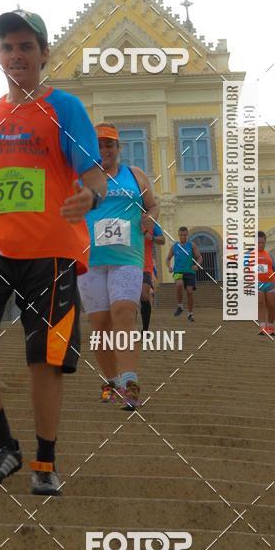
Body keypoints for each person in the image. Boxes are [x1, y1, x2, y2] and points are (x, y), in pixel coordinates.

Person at [0, 9, 106, 496]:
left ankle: (44, 462)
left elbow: (93, 174)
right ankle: (3, 447)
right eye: (8, 47)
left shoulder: (64, 108)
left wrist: (90, 196)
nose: (16, 55)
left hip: (51, 250)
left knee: (43, 358)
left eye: (26, 46)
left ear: (43, 53)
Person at [78, 124, 159, 409]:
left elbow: (153, 205)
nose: (104, 150)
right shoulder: (81, 178)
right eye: (99, 145)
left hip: (127, 257)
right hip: (90, 260)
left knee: (124, 313)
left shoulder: (135, 176)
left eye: (109, 145)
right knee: (100, 325)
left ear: (118, 148)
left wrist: (150, 218)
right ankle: (110, 382)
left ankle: (130, 382)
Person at [166, 227, 202, 322]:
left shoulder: (192, 245)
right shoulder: (174, 246)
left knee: (189, 292)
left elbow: (199, 257)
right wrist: (169, 267)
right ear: (178, 235)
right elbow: (168, 258)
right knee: (179, 284)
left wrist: (196, 265)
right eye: (181, 235)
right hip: (178, 271)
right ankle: (180, 306)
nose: (183, 237)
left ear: (187, 235)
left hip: (190, 272)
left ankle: (190, 314)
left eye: (185, 235)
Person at [141, 219, 165, 333]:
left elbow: (162, 239)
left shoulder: (151, 224)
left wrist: (153, 238)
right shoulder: (126, 218)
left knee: (144, 296)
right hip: (127, 264)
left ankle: (145, 330)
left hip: (145, 266)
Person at [254, 230, 275, 337]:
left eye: (262, 242)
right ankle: (262, 327)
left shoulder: (270, 255)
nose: (260, 245)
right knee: (260, 303)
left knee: (271, 306)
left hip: (270, 283)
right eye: (258, 243)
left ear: (265, 242)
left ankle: (271, 327)